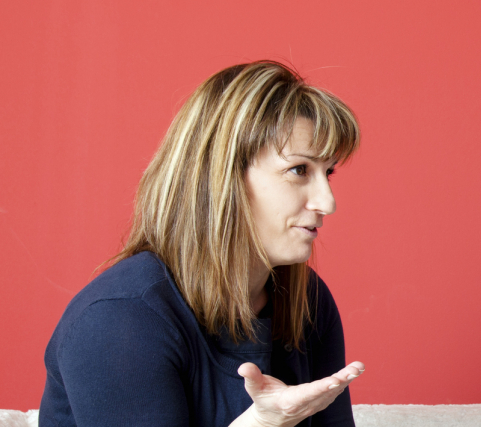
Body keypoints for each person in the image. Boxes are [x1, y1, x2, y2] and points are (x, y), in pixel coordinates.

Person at [40, 60, 366, 427]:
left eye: (329, 173)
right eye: (299, 170)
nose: (327, 202)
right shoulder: (118, 319)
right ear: (221, 176)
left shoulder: (308, 301)